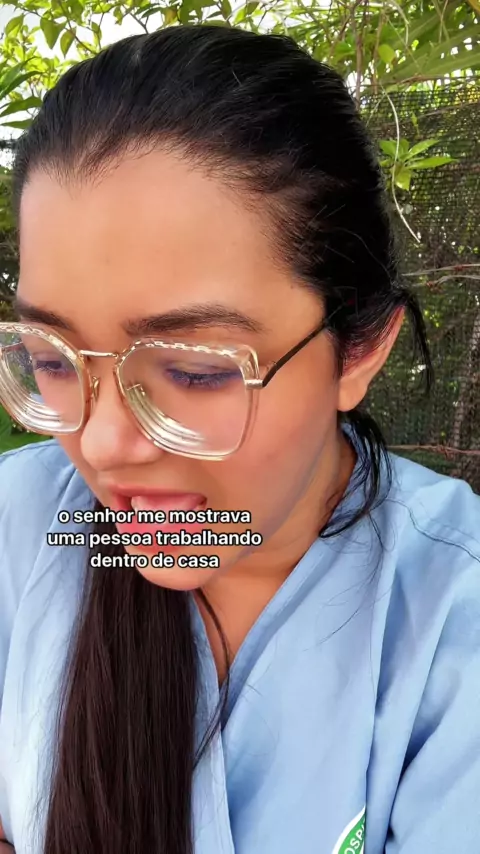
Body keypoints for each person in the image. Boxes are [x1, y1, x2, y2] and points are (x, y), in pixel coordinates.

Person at [0, 24, 479, 854]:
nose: (102, 444)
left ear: (360, 352)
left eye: (195, 371)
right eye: (52, 360)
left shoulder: (450, 619)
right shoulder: (20, 523)